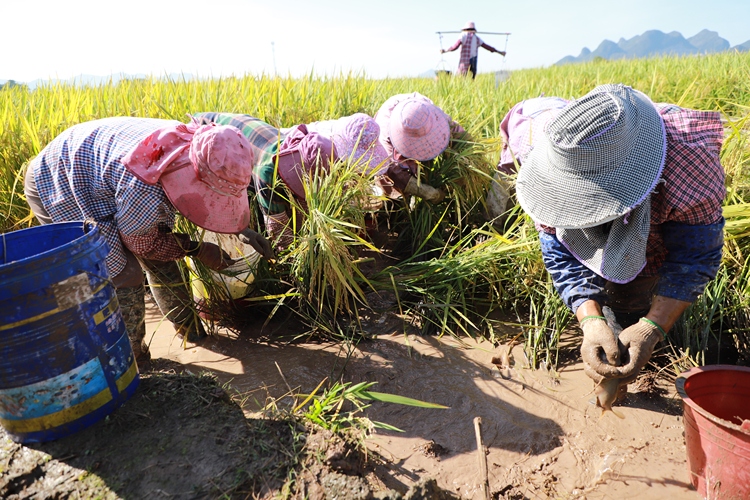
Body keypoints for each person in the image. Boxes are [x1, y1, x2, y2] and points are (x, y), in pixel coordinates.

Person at [514, 84, 725, 399]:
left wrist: (650, 330)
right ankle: (614, 327)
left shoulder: (687, 161)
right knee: (611, 310)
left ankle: (649, 331)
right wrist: (590, 320)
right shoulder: (556, 152)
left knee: (643, 297)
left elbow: (693, 258)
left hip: (657, 235)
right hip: (601, 226)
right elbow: (558, 250)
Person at [24, 117, 274, 366]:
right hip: (60, 182)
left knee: (160, 259)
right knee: (123, 273)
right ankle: (133, 361)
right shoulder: (145, 185)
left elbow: (212, 198)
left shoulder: (203, 145)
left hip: (102, 175)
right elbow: (142, 244)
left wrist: (241, 229)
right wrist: (198, 249)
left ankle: (192, 332)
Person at [196, 112, 388, 250]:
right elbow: (279, 233)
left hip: (247, 131)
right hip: (209, 135)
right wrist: (294, 254)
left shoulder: (304, 145)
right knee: (255, 205)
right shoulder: (268, 176)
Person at [485, 96, 569, 227]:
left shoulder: (574, 139)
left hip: (560, 111)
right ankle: (493, 222)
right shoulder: (519, 143)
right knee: (504, 178)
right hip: (525, 116)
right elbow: (505, 171)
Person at [374, 92, 468, 203]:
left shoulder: (433, 116)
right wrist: (425, 192)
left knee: (423, 166)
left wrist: (466, 164)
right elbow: (392, 170)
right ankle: (396, 205)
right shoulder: (384, 135)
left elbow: (459, 135)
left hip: (415, 111)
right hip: (392, 147)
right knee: (389, 186)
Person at [441, 21, 506, 79]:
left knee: (461, 77)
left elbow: (455, 47)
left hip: (464, 61)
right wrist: (499, 52)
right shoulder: (477, 38)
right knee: (472, 78)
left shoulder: (463, 35)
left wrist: (445, 50)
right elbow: (488, 47)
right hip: (473, 61)